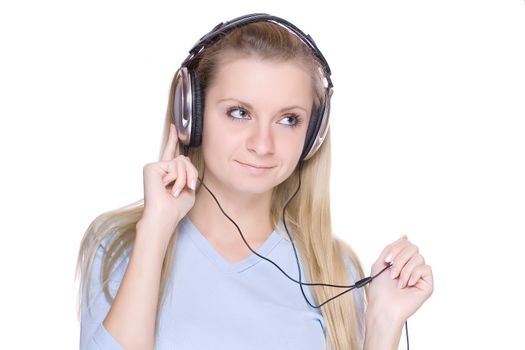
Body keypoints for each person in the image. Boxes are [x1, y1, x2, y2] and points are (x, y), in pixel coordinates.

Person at [76, 13, 433, 350]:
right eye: (239, 113)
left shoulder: (334, 268)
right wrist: (156, 230)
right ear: (191, 115)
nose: (262, 144)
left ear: (314, 135)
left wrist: (384, 322)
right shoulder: (120, 245)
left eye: (288, 119)